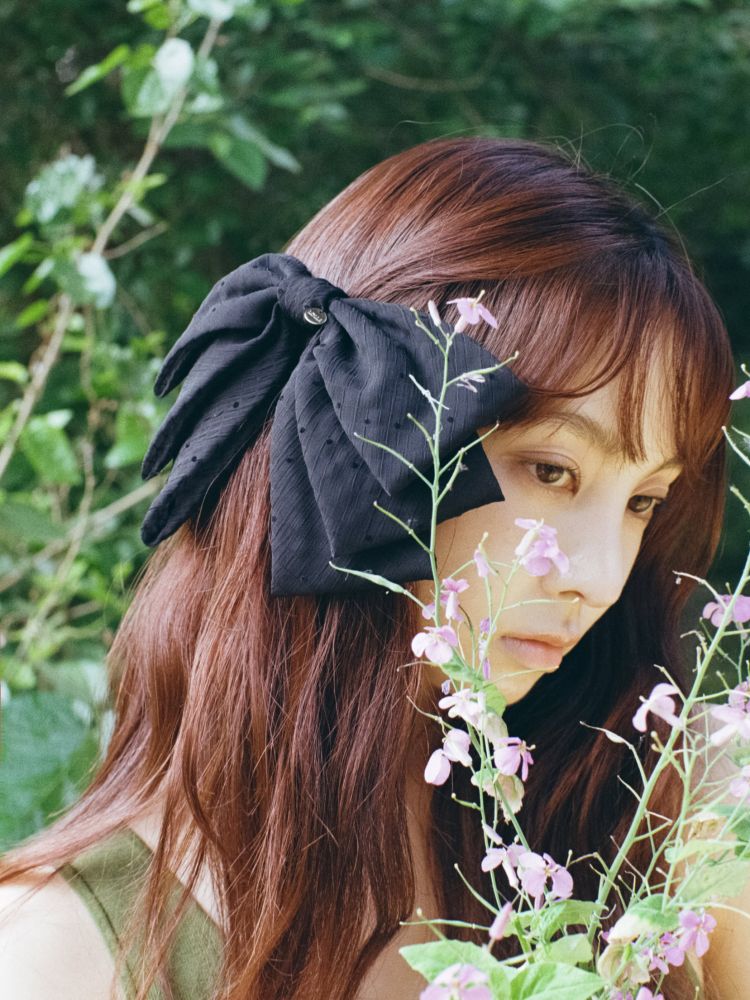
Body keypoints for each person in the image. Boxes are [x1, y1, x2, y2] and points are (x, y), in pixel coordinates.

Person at [0, 136, 742, 1000]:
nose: (601, 576)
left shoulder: (674, 828)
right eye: (550, 470)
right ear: (353, 435)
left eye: (643, 501)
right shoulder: (59, 958)